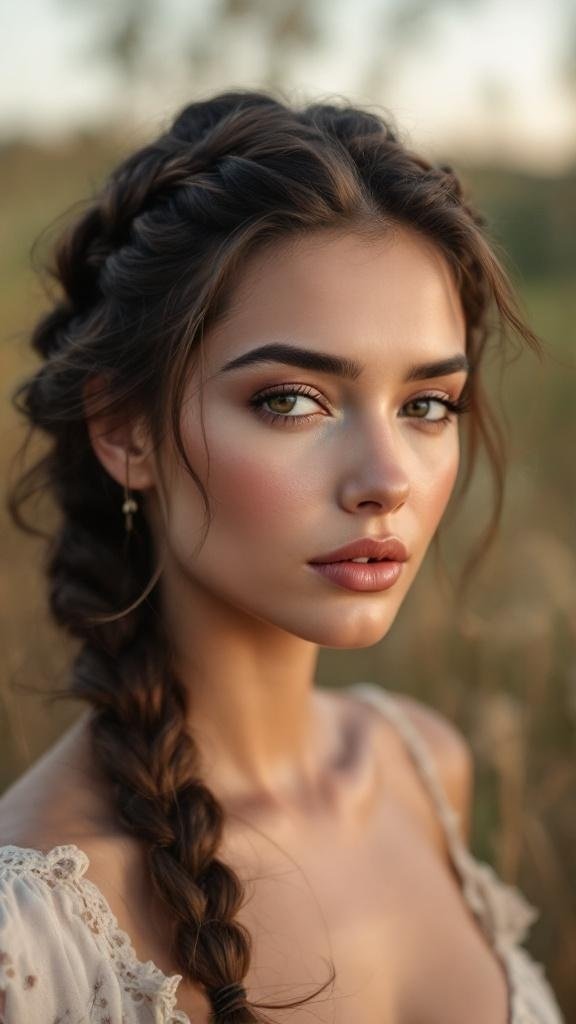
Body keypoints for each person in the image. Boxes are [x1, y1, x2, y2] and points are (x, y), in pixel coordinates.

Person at [0, 90, 563, 1024]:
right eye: (292, 400)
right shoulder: (32, 936)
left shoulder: (425, 767)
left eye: (427, 405)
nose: (386, 479)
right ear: (123, 430)